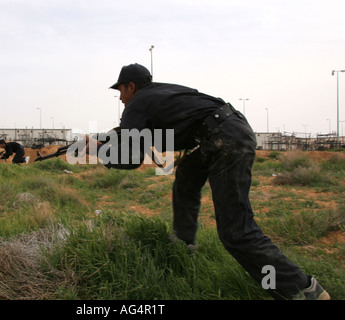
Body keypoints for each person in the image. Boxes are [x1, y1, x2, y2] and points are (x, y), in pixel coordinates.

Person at [86, 63, 330, 300]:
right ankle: (183, 245)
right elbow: (156, 137)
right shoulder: (165, 92)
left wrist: (98, 150)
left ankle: (302, 290)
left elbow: (131, 158)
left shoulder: (138, 103)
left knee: (236, 232)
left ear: (131, 86)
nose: (120, 98)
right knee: (187, 175)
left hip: (223, 139)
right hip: (227, 129)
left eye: (120, 91)